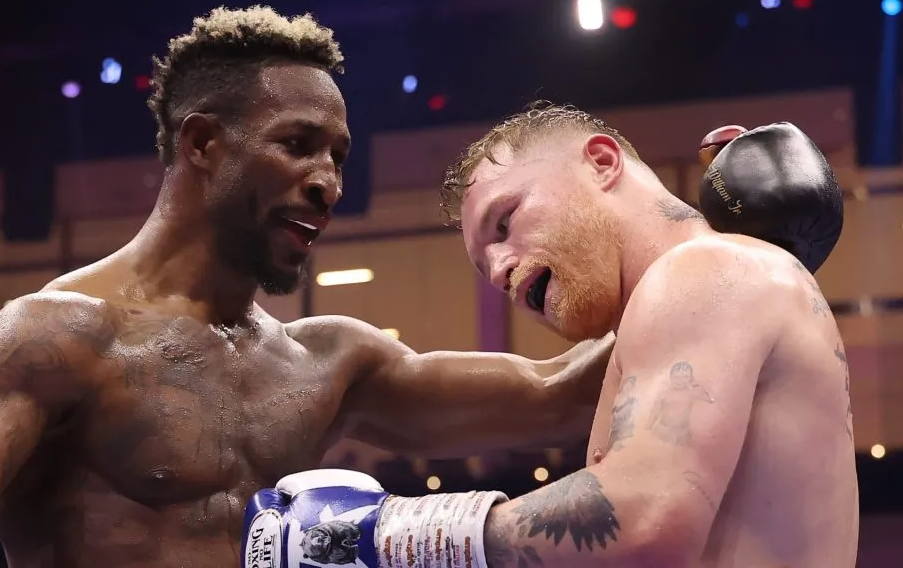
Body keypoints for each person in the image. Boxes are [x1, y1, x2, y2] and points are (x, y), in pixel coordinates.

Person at [0, 8, 616, 568]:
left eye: (337, 155)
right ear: (202, 143)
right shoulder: (59, 336)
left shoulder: (328, 361)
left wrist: (700, 244)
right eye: (297, 145)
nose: (327, 181)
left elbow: (559, 389)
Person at [242, 104, 856, 568]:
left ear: (602, 161)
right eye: (486, 269)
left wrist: (380, 535)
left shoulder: (703, 270)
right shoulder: (716, 284)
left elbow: (645, 518)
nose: (504, 271)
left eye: (505, 221)